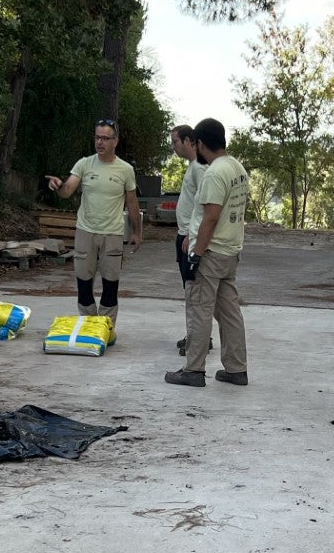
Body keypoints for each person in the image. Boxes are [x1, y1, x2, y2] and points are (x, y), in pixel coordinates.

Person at [164, 118, 248, 388]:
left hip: (211, 253)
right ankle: (236, 369)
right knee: (229, 313)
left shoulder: (214, 173)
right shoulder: (237, 168)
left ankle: (194, 370)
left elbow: (210, 217)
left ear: (199, 143)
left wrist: (196, 255)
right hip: (230, 253)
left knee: (199, 309)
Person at [45, 119, 141, 322]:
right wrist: (59, 185)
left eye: (105, 138)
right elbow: (67, 190)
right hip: (85, 231)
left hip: (112, 234)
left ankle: (106, 326)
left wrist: (137, 232)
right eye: (97, 137)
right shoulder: (84, 164)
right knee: (84, 284)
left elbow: (132, 203)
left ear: (115, 141)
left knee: (110, 285)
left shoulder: (125, 170)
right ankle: (88, 324)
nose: (100, 142)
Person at [169, 123, 207, 357]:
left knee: (194, 290)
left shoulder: (200, 168)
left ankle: (199, 338)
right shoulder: (192, 166)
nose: (173, 147)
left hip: (189, 237)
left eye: (175, 142)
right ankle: (194, 334)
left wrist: (192, 236)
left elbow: (204, 204)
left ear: (188, 141)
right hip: (184, 234)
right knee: (188, 289)